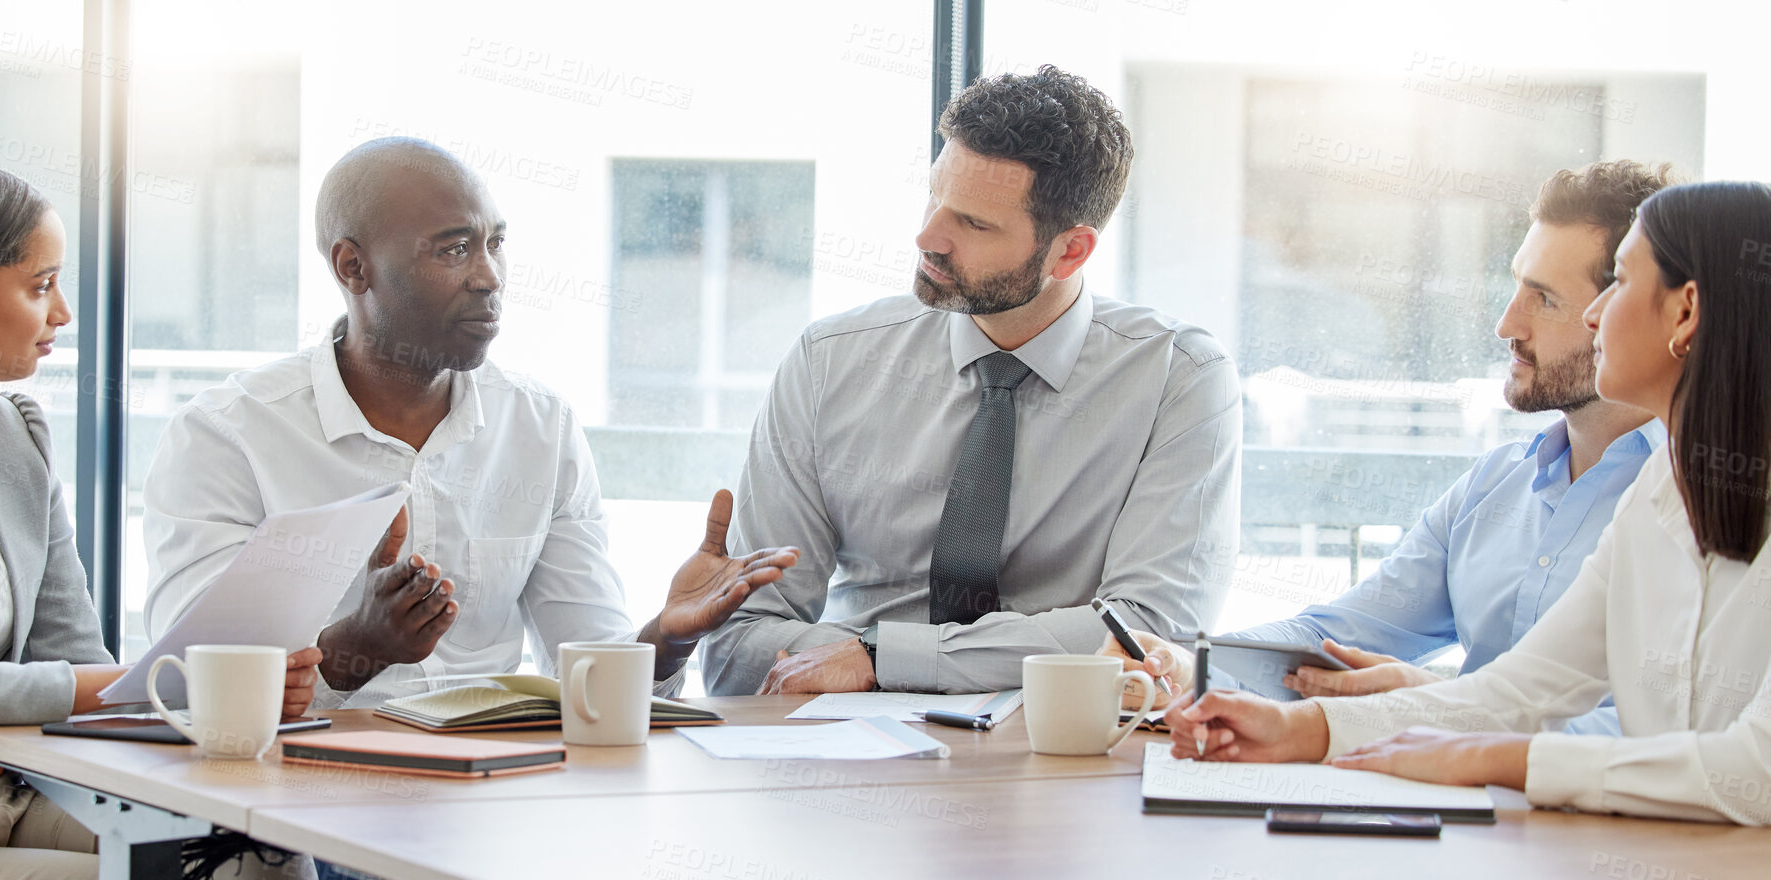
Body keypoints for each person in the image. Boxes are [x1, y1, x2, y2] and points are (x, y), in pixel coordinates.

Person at [1168, 181, 1771, 826]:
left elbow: (1754, 773)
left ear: (1685, 314)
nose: (1597, 315)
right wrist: (1300, 729)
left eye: (1618, 284)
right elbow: (1518, 690)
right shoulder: (1660, 494)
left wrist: (1498, 759)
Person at [0, 157, 322, 878]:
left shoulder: (13, 433)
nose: (63, 314)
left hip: (17, 792)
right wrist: (159, 680)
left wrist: (215, 692)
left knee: (264, 857)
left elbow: (74, 656)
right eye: (41, 285)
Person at [141, 137, 801, 710]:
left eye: (494, 245)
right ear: (353, 266)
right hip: (289, 798)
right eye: (453, 250)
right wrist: (358, 649)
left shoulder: (539, 427)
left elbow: (593, 674)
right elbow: (183, 691)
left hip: (490, 797)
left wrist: (667, 638)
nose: (489, 278)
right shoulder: (226, 436)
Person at [699, 66, 1241, 698]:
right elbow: (739, 645)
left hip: (1062, 755)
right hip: (847, 754)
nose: (927, 236)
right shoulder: (831, 360)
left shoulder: (1180, 379)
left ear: (1070, 252)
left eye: (975, 224)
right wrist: (874, 658)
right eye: (934, 197)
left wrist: (881, 656)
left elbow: (1144, 637)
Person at [1102, 161, 1675, 738]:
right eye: (1515, 286)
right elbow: (1340, 637)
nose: (1506, 324)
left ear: (1629, 311)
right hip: (1460, 799)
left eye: (1545, 300)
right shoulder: (1494, 485)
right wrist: (1191, 662)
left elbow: (1673, 731)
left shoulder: (1700, 507)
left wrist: (1433, 701)